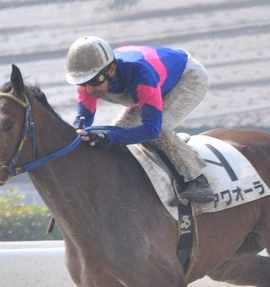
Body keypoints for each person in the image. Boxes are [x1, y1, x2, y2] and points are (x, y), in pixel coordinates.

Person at [65, 35, 215, 203]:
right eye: (82, 83)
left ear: (112, 70)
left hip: (186, 78)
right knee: (117, 132)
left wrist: (108, 135)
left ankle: (198, 180)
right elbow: (83, 122)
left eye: (94, 81)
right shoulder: (90, 81)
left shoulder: (139, 73)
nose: (89, 89)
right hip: (149, 86)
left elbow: (151, 129)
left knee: (160, 130)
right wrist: (82, 133)